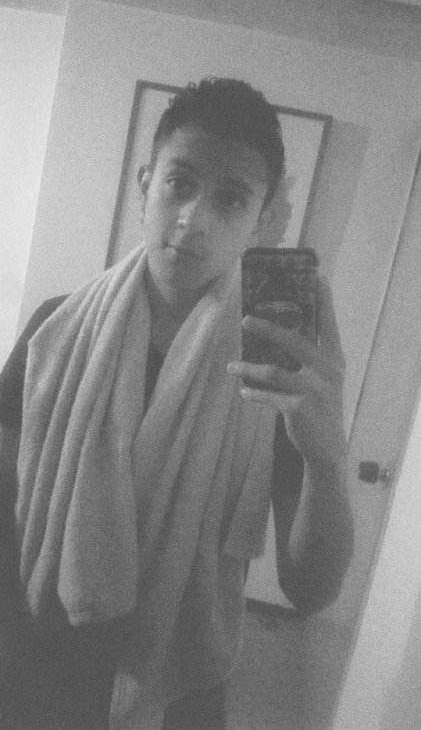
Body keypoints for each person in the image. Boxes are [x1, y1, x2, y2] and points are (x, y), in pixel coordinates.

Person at [0, 77, 353, 730]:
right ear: (145, 186)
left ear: (261, 221)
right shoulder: (54, 331)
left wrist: (327, 462)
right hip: (38, 664)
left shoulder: (273, 371)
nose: (194, 217)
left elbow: (309, 591)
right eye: (179, 183)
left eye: (230, 198)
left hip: (178, 692)